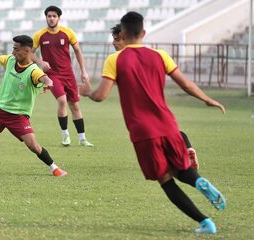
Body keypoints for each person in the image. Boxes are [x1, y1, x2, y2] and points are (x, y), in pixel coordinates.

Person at [80, 12, 226, 234]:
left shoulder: (115, 59)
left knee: (165, 180)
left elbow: (101, 95)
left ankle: (206, 222)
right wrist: (207, 99)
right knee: (182, 168)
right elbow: (185, 84)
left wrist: (87, 92)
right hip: (168, 125)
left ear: (124, 33)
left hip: (143, 131)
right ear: (143, 32)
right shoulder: (160, 55)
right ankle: (199, 182)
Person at [0, 35, 67, 177]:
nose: (13, 52)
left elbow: (44, 78)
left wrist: (49, 83)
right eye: (13, 49)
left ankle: (55, 168)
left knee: (33, 146)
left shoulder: (33, 71)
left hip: (18, 116)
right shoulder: (11, 60)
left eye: (16, 50)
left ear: (27, 51)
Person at [111, 24, 199, 170]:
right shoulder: (153, 54)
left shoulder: (118, 59)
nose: (114, 43)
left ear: (125, 38)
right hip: (156, 101)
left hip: (139, 108)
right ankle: (186, 150)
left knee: (152, 136)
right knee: (168, 130)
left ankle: (171, 163)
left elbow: (106, 88)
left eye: (116, 39)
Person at [32, 5, 94, 147]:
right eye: (49, 16)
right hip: (52, 75)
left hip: (68, 74)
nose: (51, 18)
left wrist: (83, 71)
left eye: (54, 16)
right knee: (62, 101)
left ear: (59, 18)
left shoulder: (68, 33)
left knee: (75, 106)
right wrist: (40, 61)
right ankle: (65, 135)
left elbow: (78, 51)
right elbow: (30, 53)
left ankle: (82, 139)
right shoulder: (39, 35)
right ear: (46, 18)